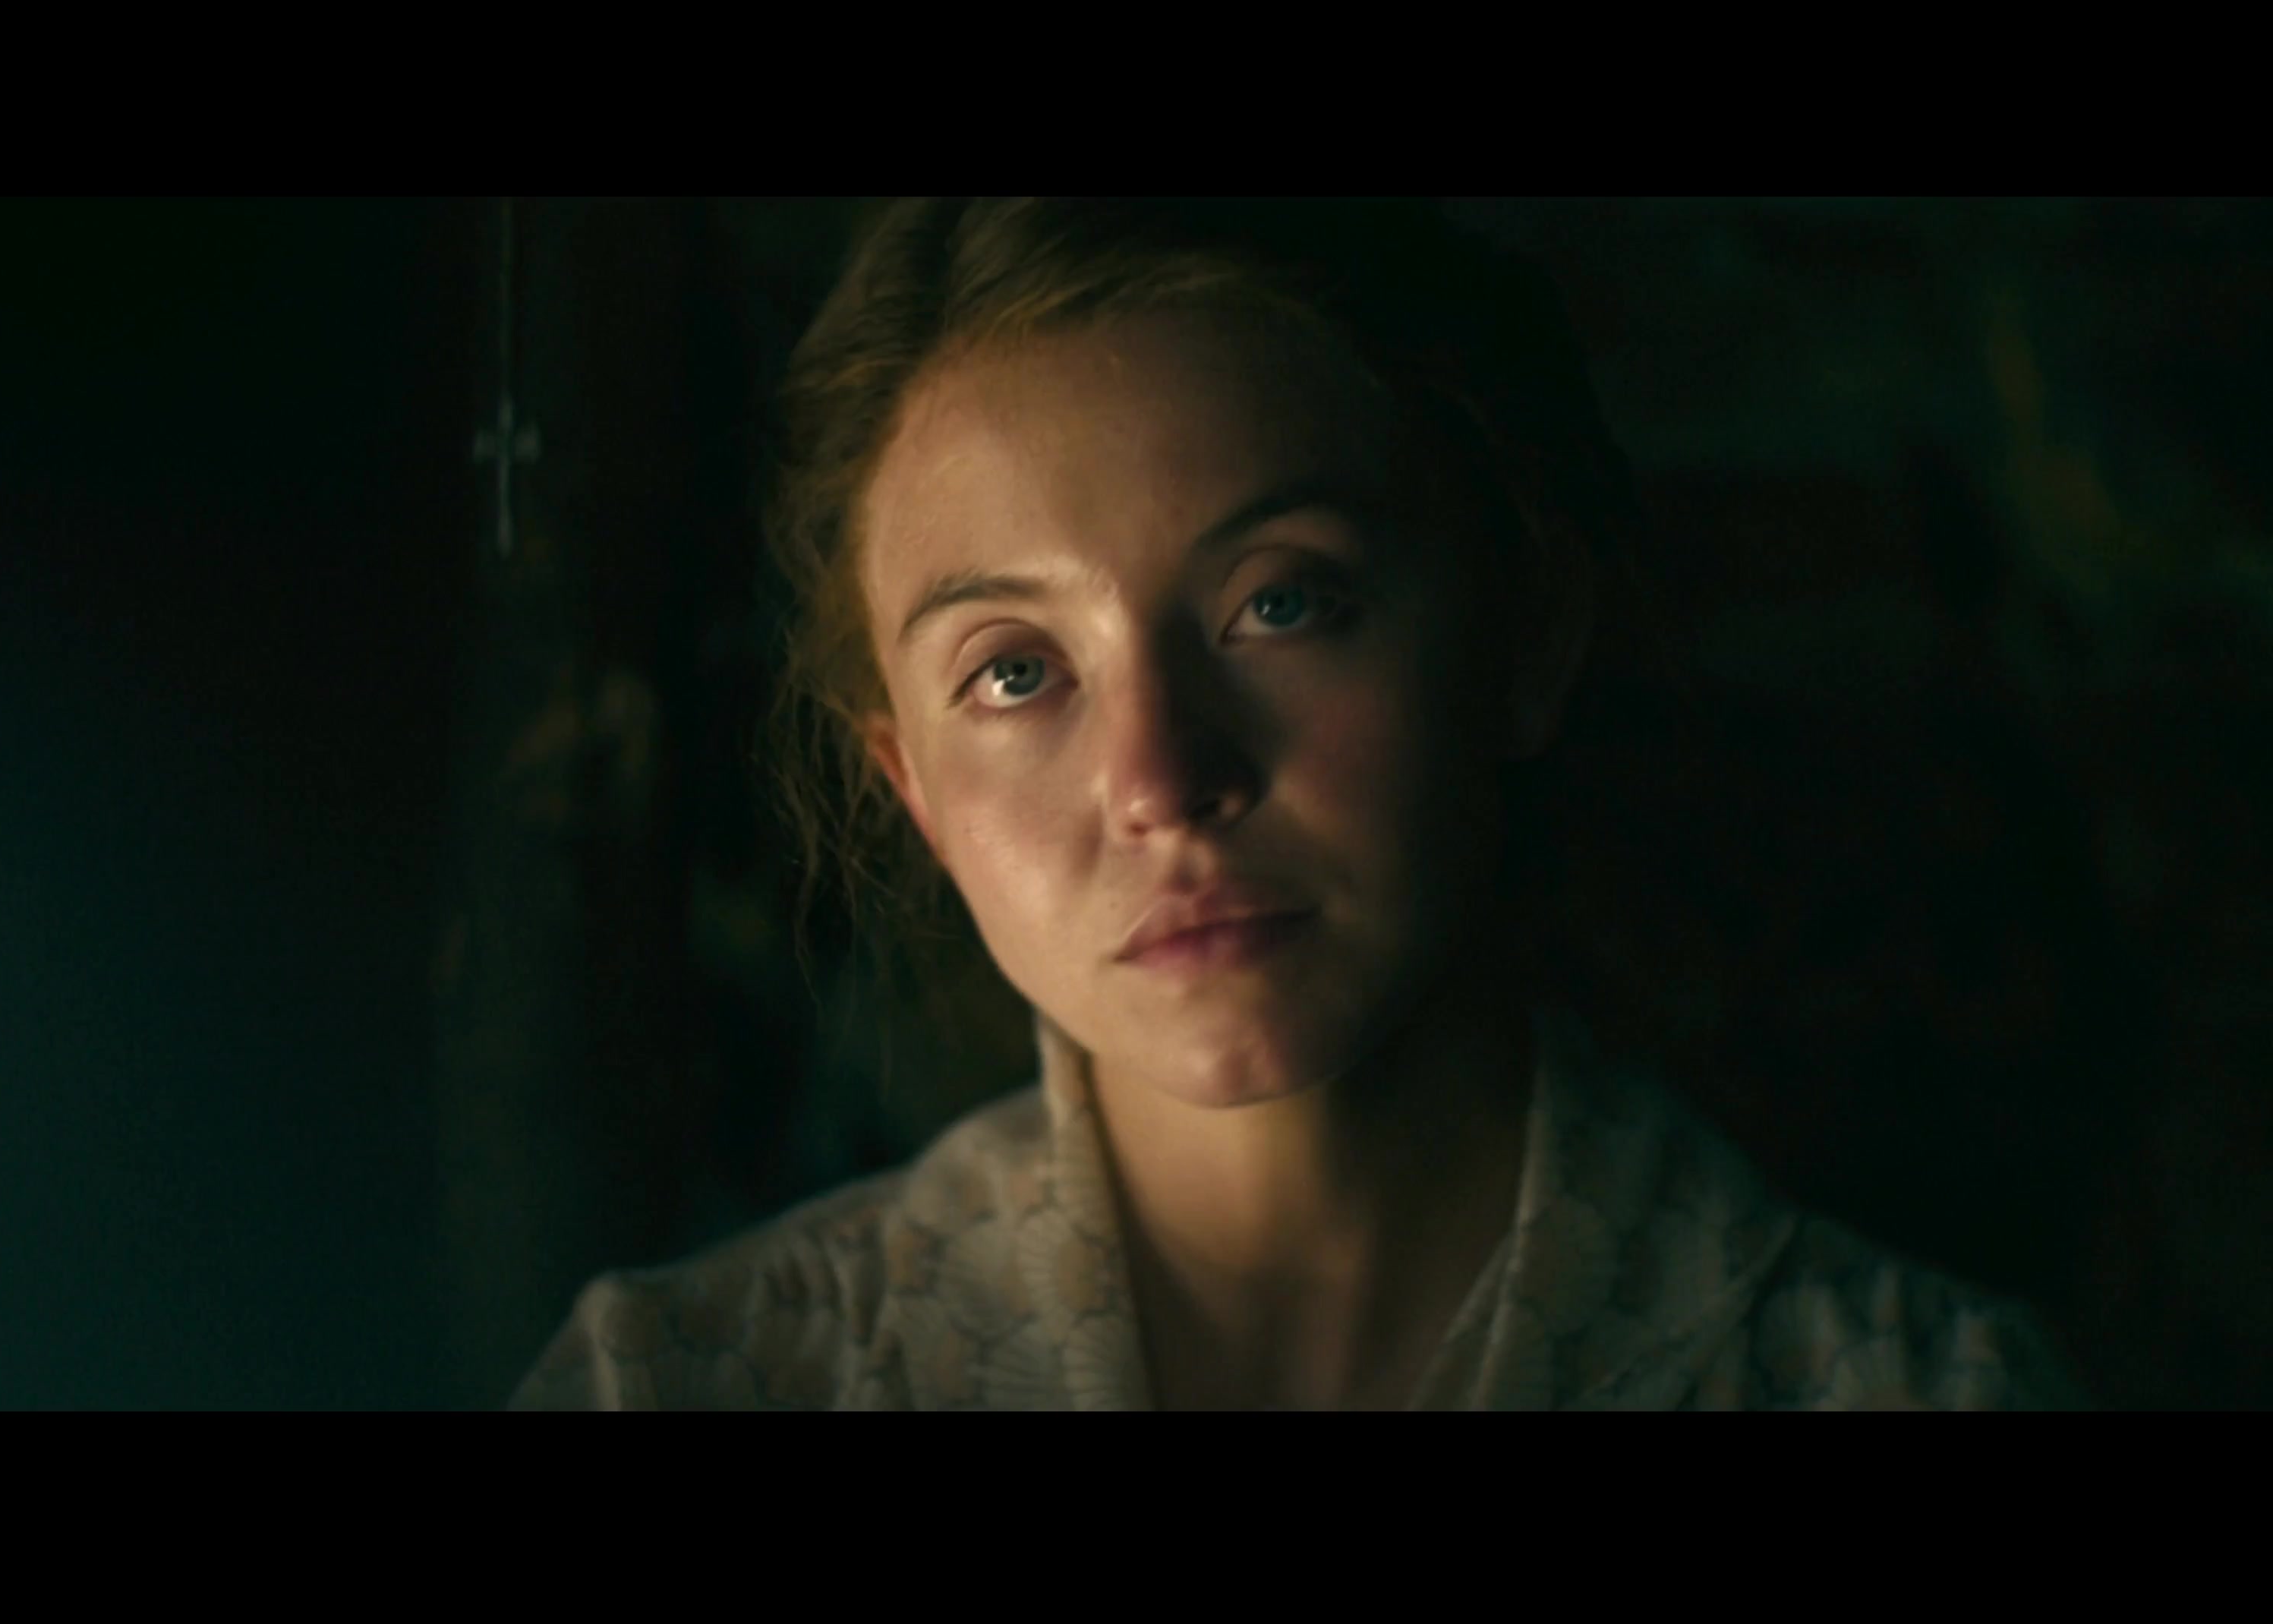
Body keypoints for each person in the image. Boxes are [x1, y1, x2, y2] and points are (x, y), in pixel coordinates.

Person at [510, 197, 2091, 1410]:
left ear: (1526, 631)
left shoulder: (1916, 1392)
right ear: (911, 789)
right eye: (1014, 673)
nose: (1161, 783)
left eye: (1280, 603)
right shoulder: (683, 1387)